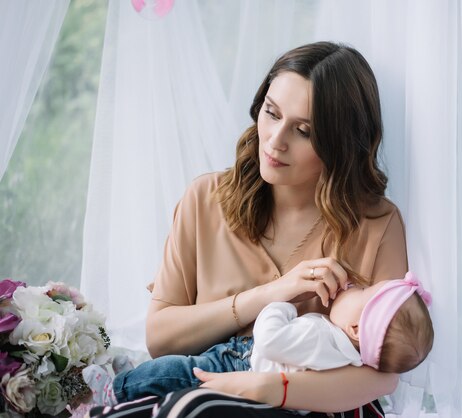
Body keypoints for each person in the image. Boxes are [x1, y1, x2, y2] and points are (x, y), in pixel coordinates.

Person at [89, 40, 411, 418]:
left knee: (193, 407)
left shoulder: (377, 225)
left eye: (304, 131)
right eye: (272, 113)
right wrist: (273, 293)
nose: (275, 140)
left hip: (313, 407)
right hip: (197, 393)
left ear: (339, 144)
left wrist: (266, 387)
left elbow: (384, 376)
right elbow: (161, 339)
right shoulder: (205, 199)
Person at [84, 272, 434, 408]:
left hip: (242, 362)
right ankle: (128, 383)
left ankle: (116, 390)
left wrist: (280, 305)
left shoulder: (320, 337)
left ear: (357, 329)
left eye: (365, 291)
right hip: (257, 378)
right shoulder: (349, 358)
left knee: (179, 372)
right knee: (173, 379)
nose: (356, 285)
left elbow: (269, 341)